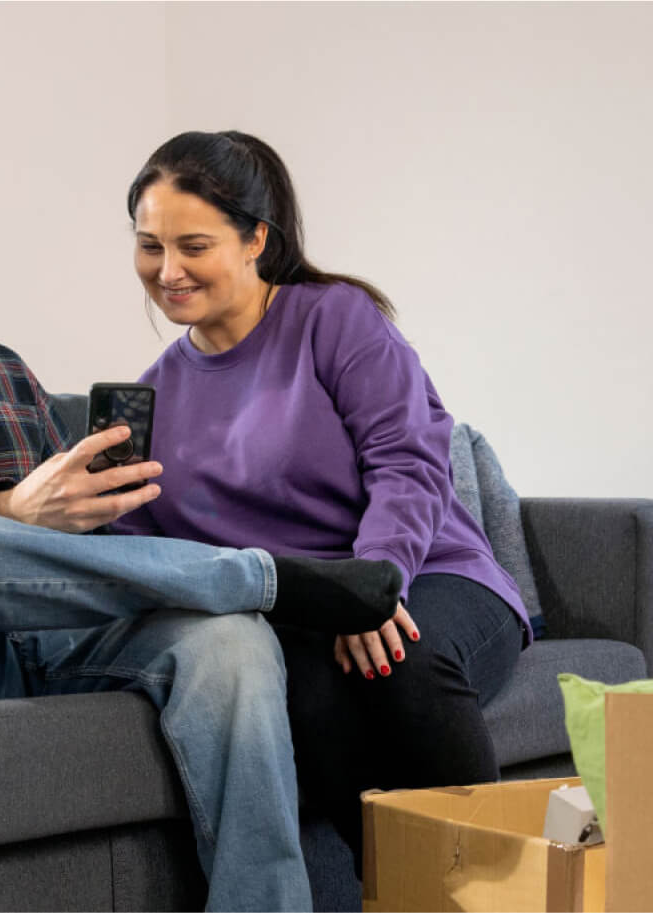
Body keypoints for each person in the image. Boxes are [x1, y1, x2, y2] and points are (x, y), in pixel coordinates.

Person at [0, 119, 408, 912]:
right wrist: (11, 507)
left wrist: (98, 507)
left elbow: (81, 552)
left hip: (46, 640)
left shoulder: (3, 370)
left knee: (230, 641)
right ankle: (266, 579)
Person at [114, 130, 531, 870]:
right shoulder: (148, 399)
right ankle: (407, 891)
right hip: (301, 617)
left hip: (425, 573)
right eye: (150, 246)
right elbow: (142, 551)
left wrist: (371, 586)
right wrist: (76, 512)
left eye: (194, 246)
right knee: (302, 693)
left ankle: (494, 893)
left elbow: (407, 457)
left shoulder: (334, 319)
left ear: (255, 239)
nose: (168, 271)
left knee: (399, 659)